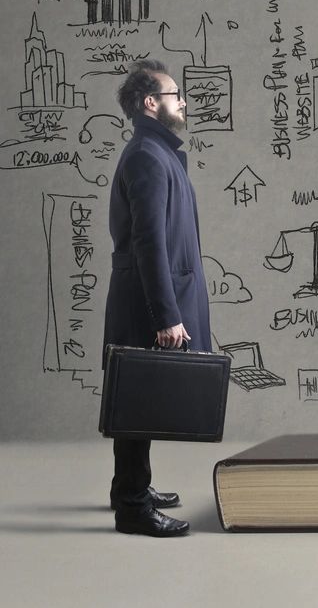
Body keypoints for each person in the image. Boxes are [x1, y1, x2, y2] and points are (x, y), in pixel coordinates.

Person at [103, 59, 210, 537]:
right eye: (175, 94)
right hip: (148, 298)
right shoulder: (148, 154)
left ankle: (129, 489)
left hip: (155, 291)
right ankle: (131, 505)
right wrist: (167, 316)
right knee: (136, 396)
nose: (183, 101)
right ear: (152, 103)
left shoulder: (156, 152)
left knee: (138, 395)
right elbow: (148, 241)